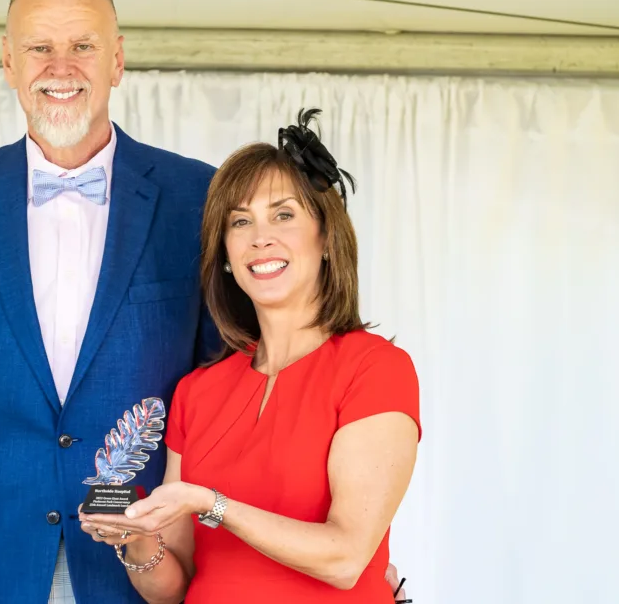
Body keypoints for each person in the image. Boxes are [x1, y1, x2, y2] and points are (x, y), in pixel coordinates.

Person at [0, 0, 410, 604]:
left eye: (83, 46)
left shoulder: (198, 198)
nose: (60, 66)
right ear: (8, 62)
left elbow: (246, 403)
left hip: (140, 575)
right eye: (40, 47)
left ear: (117, 60)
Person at [81, 109, 421, 603]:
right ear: (224, 253)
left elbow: (345, 558)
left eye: (283, 214)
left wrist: (212, 504)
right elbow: (171, 590)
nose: (261, 237)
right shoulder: (197, 392)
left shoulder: (374, 369)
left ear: (325, 237)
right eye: (240, 222)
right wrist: (137, 540)